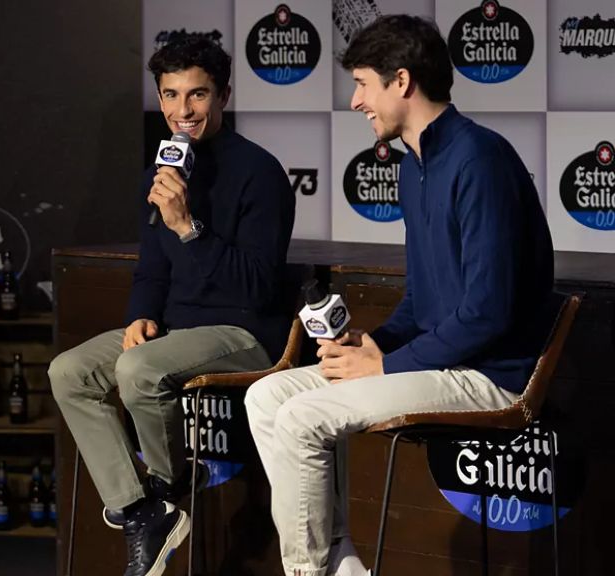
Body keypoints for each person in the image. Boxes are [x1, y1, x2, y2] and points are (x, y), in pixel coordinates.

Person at [244, 15, 554, 576]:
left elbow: (488, 311)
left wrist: (386, 363)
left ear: (402, 82)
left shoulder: (481, 160)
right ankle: (339, 563)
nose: (357, 100)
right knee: (266, 399)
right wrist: (375, 344)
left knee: (301, 420)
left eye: (363, 83)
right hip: (433, 362)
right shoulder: (413, 168)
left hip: (488, 376)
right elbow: (423, 299)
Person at [49, 35, 295, 576]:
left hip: (245, 331)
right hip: (176, 326)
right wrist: (142, 313)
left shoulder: (261, 173)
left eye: (198, 95)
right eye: (171, 95)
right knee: (68, 371)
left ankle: (170, 485)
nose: (183, 111)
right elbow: (152, 270)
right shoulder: (158, 174)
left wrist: (189, 226)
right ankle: (143, 510)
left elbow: (255, 287)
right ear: (159, 100)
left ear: (224, 96)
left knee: (138, 368)